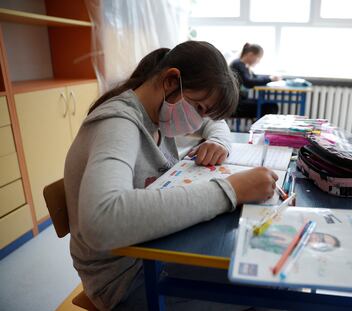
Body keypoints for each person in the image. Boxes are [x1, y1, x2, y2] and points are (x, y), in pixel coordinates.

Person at [64, 41, 279, 310]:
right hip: (125, 279)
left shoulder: (158, 110)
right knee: (272, 292)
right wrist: (229, 190)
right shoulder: (118, 124)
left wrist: (220, 143)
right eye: (199, 108)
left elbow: (216, 122)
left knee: (266, 274)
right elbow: (101, 219)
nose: (199, 121)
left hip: (157, 251)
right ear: (170, 81)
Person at [230, 43, 281, 118]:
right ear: (250, 55)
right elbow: (249, 82)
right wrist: (270, 79)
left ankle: (259, 126)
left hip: (239, 102)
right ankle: (260, 128)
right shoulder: (238, 64)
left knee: (271, 105)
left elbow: (256, 77)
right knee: (271, 107)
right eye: (258, 58)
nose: (258, 61)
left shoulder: (244, 66)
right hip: (235, 106)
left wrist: (271, 78)